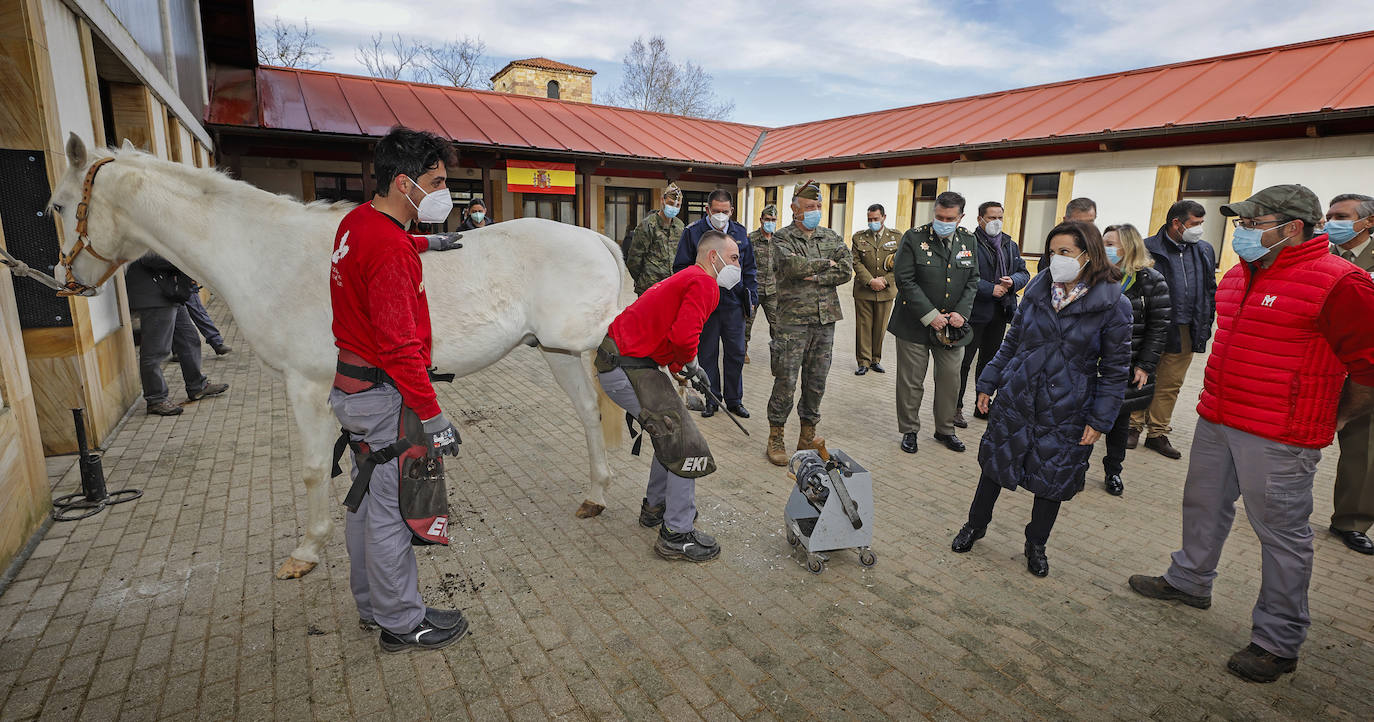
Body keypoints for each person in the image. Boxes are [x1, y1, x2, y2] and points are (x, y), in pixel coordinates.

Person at [1129, 185, 1374, 684]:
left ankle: (1277, 641)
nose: (1241, 234)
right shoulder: (1240, 275)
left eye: (1253, 225)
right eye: (1239, 225)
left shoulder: (1340, 282)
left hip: (1281, 434)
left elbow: (1368, 368)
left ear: (1292, 228)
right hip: (1220, 418)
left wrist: (1335, 418)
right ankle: (1189, 580)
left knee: (1282, 535)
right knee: (1202, 504)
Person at [327, 126, 469, 653]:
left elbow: (383, 244)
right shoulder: (389, 251)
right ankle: (401, 622)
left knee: (364, 501)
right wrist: (432, 416)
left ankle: (372, 605)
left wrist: (429, 241)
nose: (442, 192)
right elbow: (400, 347)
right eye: (436, 181)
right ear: (405, 182)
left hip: (352, 387)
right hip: (384, 394)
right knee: (390, 511)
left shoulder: (357, 222)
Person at [952, 222, 1130, 577]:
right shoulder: (1038, 288)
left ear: (1088, 254)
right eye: (1052, 252)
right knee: (995, 465)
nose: (1056, 260)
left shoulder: (1113, 304)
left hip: (1069, 406)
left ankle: (1036, 543)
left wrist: (1100, 420)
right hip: (1019, 394)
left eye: (1065, 252)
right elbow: (1012, 342)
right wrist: (988, 382)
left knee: (1053, 478)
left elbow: (1115, 371)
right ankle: (975, 524)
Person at [594, 230, 740, 562]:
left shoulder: (687, 277)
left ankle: (657, 507)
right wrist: (691, 364)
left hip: (624, 362)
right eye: (734, 258)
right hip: (627, 366)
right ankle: (677, 533)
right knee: (686, 443)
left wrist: (685, 367)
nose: (738, 265)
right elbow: (684, 336)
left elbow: (673, 338)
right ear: (712, 257)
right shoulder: (703, 282)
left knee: (669, 433)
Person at [765, 180, 853, 465]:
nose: (814, 211)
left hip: (825, 321)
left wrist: (814, 274)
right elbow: (790, 267)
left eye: (818, 206)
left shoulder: (830, 236)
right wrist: (824, 263)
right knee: (786, 381)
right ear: (794, 208)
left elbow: (846, 270)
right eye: (809, 207)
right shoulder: (781, 238)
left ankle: (807, 434)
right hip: (792, 321)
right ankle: (776, 435)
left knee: (816, 382)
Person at [888, 191, 979, 454]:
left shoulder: (968, 240)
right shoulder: (914, 237)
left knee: (951, 379)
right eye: (939, 216)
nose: (943, 221)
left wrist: (962, 312)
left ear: (961, 217)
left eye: (949, 217)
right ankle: (909, 430)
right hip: (913, 324)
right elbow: (905, 279)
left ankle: (945, 430)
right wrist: (930, 315)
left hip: (952, 327)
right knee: (911, 381)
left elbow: (973, 279)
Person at [1131, 200, 1216, 459]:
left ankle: (1157, 432)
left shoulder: (1204, 250)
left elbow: (1209, 289)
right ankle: (1131, 426)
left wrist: (1205, 321)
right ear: (1176, 223)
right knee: (1140, 375)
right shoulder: (1147, 248)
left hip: (1186, 327)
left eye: (1202, 224)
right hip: (1152, 326)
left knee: (1170, 384)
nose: (1199, 229)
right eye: (1195, 224)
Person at [1099, 224, 1170, 496]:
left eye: (1111, 243)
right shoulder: (1095, 275)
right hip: (1092, 363)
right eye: (1103, 242)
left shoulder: (1151, 281)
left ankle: (1113, 470)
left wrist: (1145, 365)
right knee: (1083, 418)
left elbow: (1159, 328)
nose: (1105, 248)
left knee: (1119, 422)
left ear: (1128, 247)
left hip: (1127, 364)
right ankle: (1077, 468)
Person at [673, 190, 757, 418]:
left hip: (733, 305)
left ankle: (734, 400)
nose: (721, 216)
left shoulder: (739, 233)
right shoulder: (692, 233)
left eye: (725, 211)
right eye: (717, 211)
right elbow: (680, 267)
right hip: (705, 306)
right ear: (708, 210)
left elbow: (749, 269)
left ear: (732, 211)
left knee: (736, 354)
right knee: (707, 354)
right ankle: (712, 398)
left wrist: (751, 298)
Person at [1324, 193, 1374, 554]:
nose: (1331, 222)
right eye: (1328, 216)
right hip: (1320, 364)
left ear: (1367, 222)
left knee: (1363, 450)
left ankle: (1351, 521)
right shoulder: (1319, 257)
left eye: (1340, 216)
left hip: (1364, 368)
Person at [125, 253, 230, 416]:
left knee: (189, 338)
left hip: (167, 292)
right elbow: (148, 258)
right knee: (156, 351)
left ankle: (197, 386)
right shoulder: (148, 231)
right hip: (154, 296)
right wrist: (185, 260)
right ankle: (156, 399)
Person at [955, 201, 1029, 428]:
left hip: (1000, 312)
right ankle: (955, 407)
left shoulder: (1009, 244)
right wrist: (990, 288)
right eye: (991, 217)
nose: (996, 222)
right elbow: (963, 275)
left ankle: (982, 404)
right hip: (974, 312)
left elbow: (1023, 272)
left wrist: (1012, 281)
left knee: (990, 361)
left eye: (1000, 217)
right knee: (964, 362)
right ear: (980, 220)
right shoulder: (968, 243)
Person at [851, 204, 900, 375]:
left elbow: (901, 264)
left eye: (875, 219)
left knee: (880, 327)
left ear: (884, 217)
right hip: (864, 289)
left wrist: (885, 281)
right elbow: (856, 262)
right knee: (863, 326)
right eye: (869, 219)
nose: (872, 222)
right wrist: (870, 281)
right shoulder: (859, 238)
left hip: (886, 291)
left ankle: (875, 359)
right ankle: (863, 361)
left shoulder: (896, 237)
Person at [625, 184, 685, 295]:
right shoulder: (648, 225)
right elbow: (634, 260)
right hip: (650, 288)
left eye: (678, 205)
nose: (674, 208)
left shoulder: (680, 226)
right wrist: (644, 279)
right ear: (663, 200)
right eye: (671, 204)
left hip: (672, 286)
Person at [744, 203, 780, 357]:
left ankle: (778, 353)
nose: (770, 222)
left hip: (773, 290)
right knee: (746, 322)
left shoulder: (779, 240)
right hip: (754, 289)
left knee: (777, 324)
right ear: (761, 219)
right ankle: (742, 351)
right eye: (767, 219)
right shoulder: (751, 239)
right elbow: (743, 263)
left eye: (773, 219)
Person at [185, 282, 231, 355]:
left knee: (200, 315)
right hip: (170, 286)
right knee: (174, 320)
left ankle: (217, 343)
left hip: (186, 286)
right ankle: (177, 351)